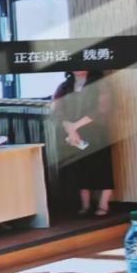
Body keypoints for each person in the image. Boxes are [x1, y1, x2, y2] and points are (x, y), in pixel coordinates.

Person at [53, 70, 114, 218]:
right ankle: (85, 206)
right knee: (80, 168)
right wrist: (71, 129)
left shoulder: (101, 84)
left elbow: (102, 109)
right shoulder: (64, 86)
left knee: (102, 167)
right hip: (73, 134)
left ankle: (103, 204)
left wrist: (75, 126)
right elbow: (57, 110)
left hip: (96, 131)